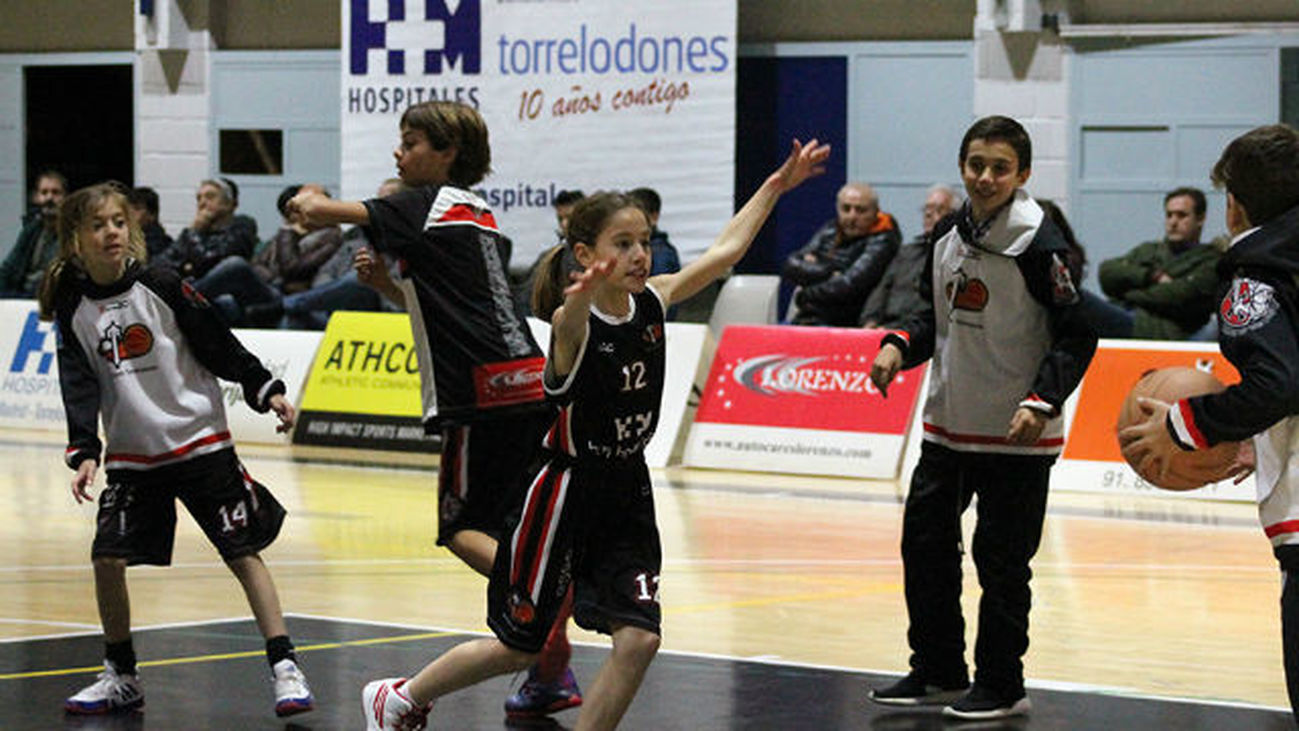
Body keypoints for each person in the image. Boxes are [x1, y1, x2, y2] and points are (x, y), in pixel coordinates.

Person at [352, 137, 829, 731]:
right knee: (520, 645)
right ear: (586, 254)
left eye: (644, 243)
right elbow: (567, 327)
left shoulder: (655, 300)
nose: (639, 255)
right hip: (563, 494)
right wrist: (578, 301)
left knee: (639, 640)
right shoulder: (569, 322)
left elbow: (726, 251)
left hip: (626, 489)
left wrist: (776, 185)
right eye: (622, 244)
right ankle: (400, 697)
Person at [287, 100, 582, 722]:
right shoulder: (477, 214)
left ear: (446, 154)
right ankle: (549, 666)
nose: (400, 152)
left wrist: (305, 200)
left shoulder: (420, 201)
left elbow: (318, 214)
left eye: (412, 141)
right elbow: (446, 303)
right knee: (510, 521)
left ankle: (542, 596)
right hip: (529, 382)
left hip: (480, 394)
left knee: (459, 527)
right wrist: (386, 290)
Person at [36, 182, 313, 718]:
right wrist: (84, 449)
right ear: (76, 240)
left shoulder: (162, 284)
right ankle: (121, 674)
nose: (112, 232)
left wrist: (266, 390)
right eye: (98, 225)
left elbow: (217, 342)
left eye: (119, 221)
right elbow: (79, 384)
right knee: (106, 558)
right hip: (135, 458)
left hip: (200, 444)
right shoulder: (73, 307)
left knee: (241, 553)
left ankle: (284, 666)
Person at [867, 116, 1097, 720]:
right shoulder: (948, 231)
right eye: (975, 164)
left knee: (1001, 563)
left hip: (1017, 435)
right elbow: (933, 317)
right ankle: (938, 670)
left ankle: (1002, 683)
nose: (985, 177)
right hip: (948, 424)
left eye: (1000, 167)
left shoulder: (1038, 241)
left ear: (1022, 174)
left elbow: (1078, 334)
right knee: (925, 547)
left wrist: (1040, 400)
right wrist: (899, 345)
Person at [1118, 124, 1299, 724]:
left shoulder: (1255, 273)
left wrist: (1190, 424)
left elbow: (1277, 383)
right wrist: (1258, 437)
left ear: (1235, 204)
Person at [196, 183, 344, 327]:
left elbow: (292, 268)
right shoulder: (292, 232)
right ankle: (187, 296)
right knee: (220, 303)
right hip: (270, 289)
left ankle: (182, 296)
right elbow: (256, 264)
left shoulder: (331, 237)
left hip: (289, 301)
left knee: (236, 265)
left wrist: (288, 233)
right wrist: (276, 278)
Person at [1092, 187, 1222, 339]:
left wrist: (1127, 294)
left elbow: (1179, 296)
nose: (1173, 222)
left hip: (1160, 332)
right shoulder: (1148, 250)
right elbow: (1107, 272)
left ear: (1200, 219)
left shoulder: (1211, 260)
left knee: (1082, 303)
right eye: (1169, 215)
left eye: (1182, 215)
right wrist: (1151, 276)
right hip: (1124, 315)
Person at [278, 178, 403, 330]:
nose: (378, 206)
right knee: (294, 316)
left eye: (385, 201)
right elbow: (326, 273)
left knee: (357, 281)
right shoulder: (356, 237)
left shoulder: (407, 242)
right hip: (334, 312)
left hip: (379, 317)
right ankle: (285, 305)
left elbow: (398, 299)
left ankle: (282, 304)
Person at [783, 182, 902, 327]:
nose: (852, 216)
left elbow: (848, 286)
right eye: (846, 209)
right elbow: (791, 264)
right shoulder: (831, 229)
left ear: (876, 211)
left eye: (861, 210)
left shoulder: (884, 239)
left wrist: (804, 295)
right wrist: (828, 271)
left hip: (846, 321)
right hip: (810, 316)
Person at [860, 184, 958, 329]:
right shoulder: (907, 251)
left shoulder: (954, 255)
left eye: (938, 209)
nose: (929, 214)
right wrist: (870, 320)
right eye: (927, 209)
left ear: (953, 216)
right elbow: (882, 289)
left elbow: (931, 307)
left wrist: (897, 329)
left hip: (917, 331)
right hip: (883, 326)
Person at [153, 177, 258, 280]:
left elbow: (210, 263)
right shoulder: (194, 233)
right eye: (199, 198)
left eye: (210, 197)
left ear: (229, 204)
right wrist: (185, 268)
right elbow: (159, 264)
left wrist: (194, 233)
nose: (202, 203)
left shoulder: (243, 226)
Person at [514, 189, 585, 315]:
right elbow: (526, 297)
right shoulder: (550, 257)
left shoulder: (600, 255)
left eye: (569, 217)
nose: (564, 224)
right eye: (560, 219)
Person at [0, 170, 67, 297]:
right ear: (36, 197)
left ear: (66, 198)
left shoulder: (73, 234)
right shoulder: (31, 230)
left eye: (55, 192)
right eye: (44, 192)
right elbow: (8, 268)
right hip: (22, 299)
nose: (49, 198)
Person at [126, 186, 174, 260]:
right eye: (128, 209)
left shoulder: (160, 246)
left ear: (152, 215)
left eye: (137, 209)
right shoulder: (125, 239)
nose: (130, 213)